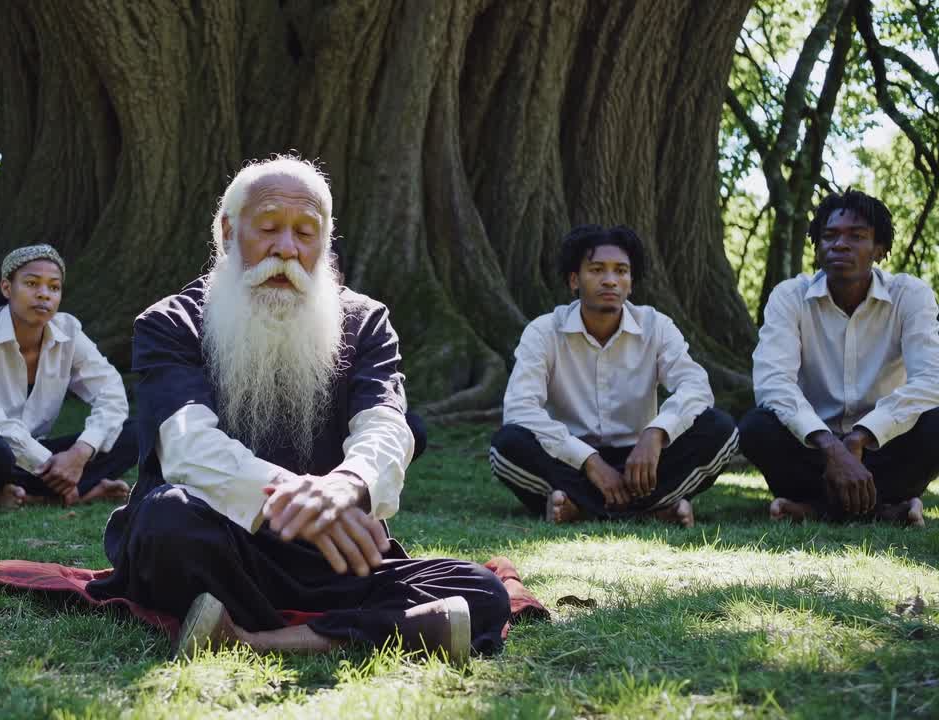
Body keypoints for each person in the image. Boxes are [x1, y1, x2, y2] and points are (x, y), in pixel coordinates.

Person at [86, 157, 526, 664]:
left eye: (305, 233)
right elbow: (187, 445)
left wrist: (346, 486)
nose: (286, 249)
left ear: (325, 242)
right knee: (167, 520)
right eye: (268, 228)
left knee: (481, 590)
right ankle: (368, 630)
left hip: (326, 557)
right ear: (228, 232)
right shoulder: (171, 323)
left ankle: (255, 638)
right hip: (221, 541)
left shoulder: (365, 322)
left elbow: (386, 425)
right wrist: (298, 500)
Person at [489, 225, 737, 527]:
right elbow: (520, 408)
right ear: (574, 280)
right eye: (597, 270)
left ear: (630, 284)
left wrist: (656, 433)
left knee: (721, 430)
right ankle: (652, 509)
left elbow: (695, 387)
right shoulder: (544, 331)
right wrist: (589, 461)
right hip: (570, 461)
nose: (610, 280)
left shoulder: (656, 326)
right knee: (507, 444)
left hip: (643, 464)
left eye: (621, 271)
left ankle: (580, 507)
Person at [739, 190, 939, 527]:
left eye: (856, 236)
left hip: (884, 448)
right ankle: (884, 510)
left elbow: (931, 380)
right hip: (813, 449)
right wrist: (831, 447)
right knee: (756, 427)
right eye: (829, 236)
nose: (840, 245)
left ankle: (814, 509)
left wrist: (861, 437)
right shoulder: (790, 297)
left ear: (880, 249)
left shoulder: (910, 295)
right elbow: (773, 384)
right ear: (817, 247)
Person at [0, 244, 138, 508]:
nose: (44, 294)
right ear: (6, 288)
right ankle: (70, 490)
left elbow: (111, 392)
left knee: (135, 433)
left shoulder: (68, 331)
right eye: (32, 283)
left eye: (54, 287)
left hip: (28, 455)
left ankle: (23, 494)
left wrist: (80, 454)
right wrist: (54, 464)